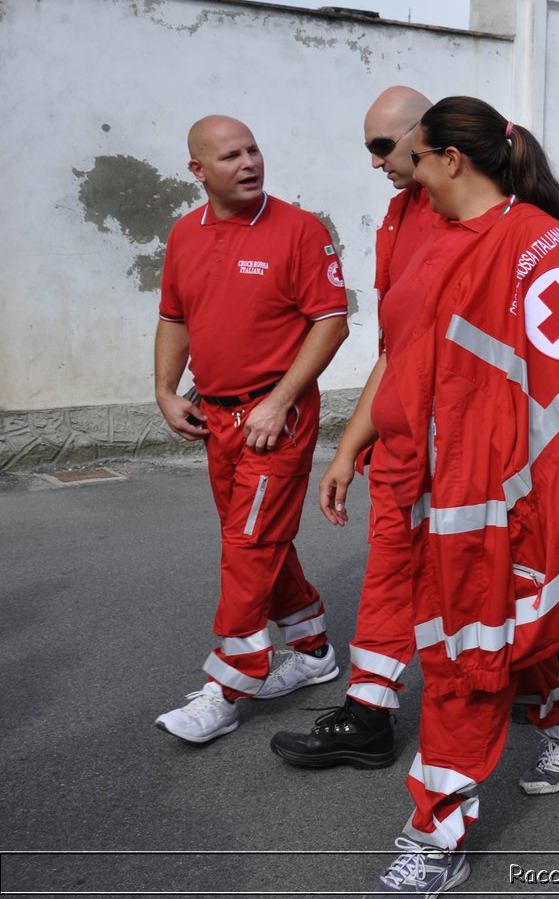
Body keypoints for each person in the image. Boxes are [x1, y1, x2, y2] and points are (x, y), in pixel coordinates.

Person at [366, 97, 559, 896]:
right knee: (500, 631)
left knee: (464, 659)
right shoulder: (453, 235)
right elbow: (410, 354)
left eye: (417, 157)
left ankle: (437, 836)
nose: (408, 173)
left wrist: (535, 504)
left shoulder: (539, 247)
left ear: (451, 160)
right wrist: (365, 442)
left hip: (495, 493)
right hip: (442, 477)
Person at [152, 116, 350, 744]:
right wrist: (164, 389)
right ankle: (314, 649)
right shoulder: (184, 234)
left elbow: (332, 322)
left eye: (254, 149)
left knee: (246, 546)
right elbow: (174, 317)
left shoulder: (299, 230)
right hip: (215, 418)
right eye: (231, 155)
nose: (248, 162)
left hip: (276, 420)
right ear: (198, 170)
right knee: (259, 541)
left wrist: (279, 399)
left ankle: (229, 684)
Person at [268, 86, 440, 770]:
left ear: (426, 137)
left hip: (468, 444)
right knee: (392, 568)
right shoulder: (398, 218)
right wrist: (348, 451)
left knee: (486, 581)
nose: (374, 162)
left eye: (382, 146)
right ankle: (369, 712)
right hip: (406, 437)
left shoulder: (483, 215)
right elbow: (397, 347)